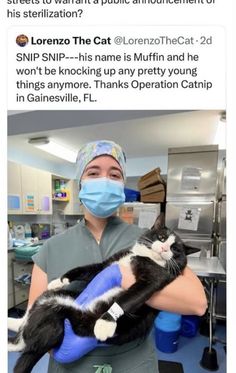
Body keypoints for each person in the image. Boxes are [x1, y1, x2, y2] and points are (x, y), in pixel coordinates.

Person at [29, 140, 207, 373]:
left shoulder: (150, 241)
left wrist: (123, 277)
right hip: (69, 366)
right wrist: (59, 347)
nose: (104, 180)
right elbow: (34, 323)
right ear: (80, 184)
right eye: (93, 172)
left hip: (133, 364)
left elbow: (197, 303)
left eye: (114, 174)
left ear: (122, 185)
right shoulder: (50, 248)